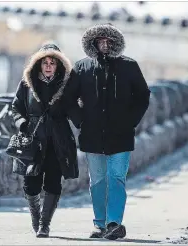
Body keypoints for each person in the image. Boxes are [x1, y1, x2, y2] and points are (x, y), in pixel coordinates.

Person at [72, 23, 150, 240]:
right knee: (97, 180)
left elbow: (143, 96)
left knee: (116, 177)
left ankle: (114, 222)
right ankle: (100, 223)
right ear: (93, 43)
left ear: (115, 42)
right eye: (100, 41)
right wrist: (81, 122)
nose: (104, 44)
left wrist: (131, 122)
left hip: (121, 134)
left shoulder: (129, 66)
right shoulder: (82, 67)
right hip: (92, 134)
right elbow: (69, 99)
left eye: (108, 41)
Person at [11, 43, 82, 238]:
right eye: (45, 62)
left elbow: (76, 111)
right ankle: (35, 218)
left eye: (53, 62)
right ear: (39, 64)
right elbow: (16, 107)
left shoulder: (67, 85)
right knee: (31, 184)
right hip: (33, 139)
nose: (49, 66)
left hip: (59, 141)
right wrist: (22, 123)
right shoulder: (27, 83)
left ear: (59, 65)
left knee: (53, 183)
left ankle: (45, 224)